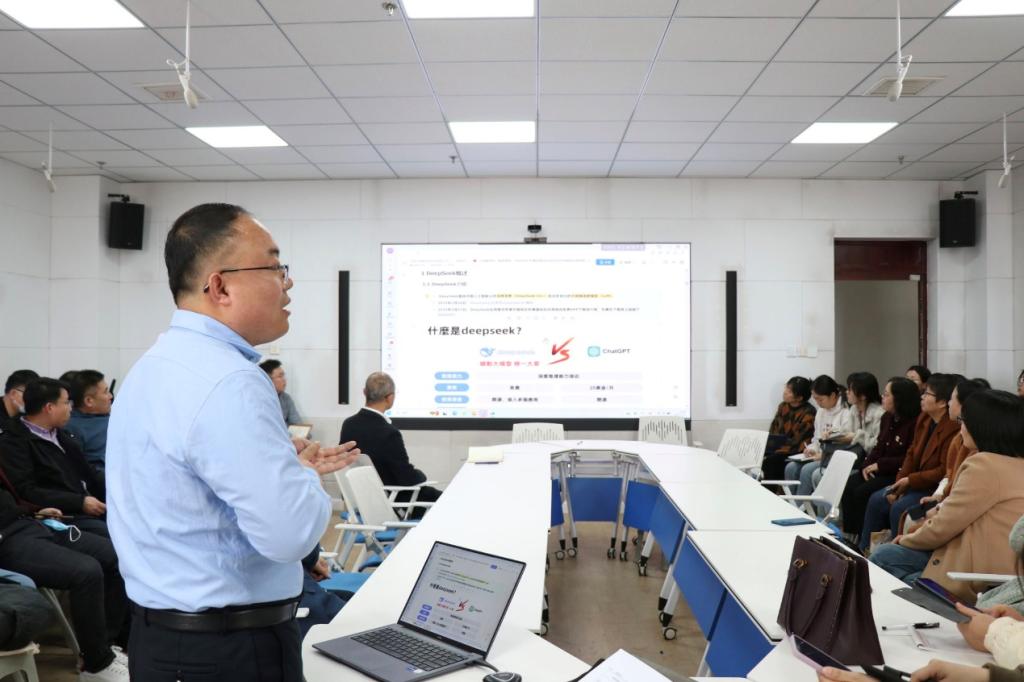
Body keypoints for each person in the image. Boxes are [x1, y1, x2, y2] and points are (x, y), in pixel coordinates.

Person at [105, 202, 360, 682]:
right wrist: (304, 475)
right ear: (219, 286)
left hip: (161, 640)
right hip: (229, 651)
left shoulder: (155, 365)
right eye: (275, 266)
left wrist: (279, 466)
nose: (288, 282)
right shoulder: (230, 381)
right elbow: (289, 535)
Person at [869, 390, 1024, 601]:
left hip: (974, 575)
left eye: (964, 420)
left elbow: (944, 526)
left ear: (982, 427)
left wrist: (905, 539)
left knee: (884, 557)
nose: (961, 427)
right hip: (1003, 572)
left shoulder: (985, 465)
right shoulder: (1012, 463)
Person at [0, 461, 128, 680]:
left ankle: (104, 647)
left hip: (31, 522)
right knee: (85, 571)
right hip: (7, 541)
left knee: (118, 556)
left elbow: (9, 499)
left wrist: (35, 510)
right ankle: (96, 665)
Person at [858, 373, 960, 549]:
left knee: (900, 508)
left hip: (931, 487)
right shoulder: (925, 418)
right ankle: (865, 550)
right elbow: (911, 454)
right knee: (877, 499)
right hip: (913, 482)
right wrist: (899, 484)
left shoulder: (952, 428)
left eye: (927, 394)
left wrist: (909, 481)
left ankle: (897, 552)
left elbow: (943, 470)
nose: (922, 396)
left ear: (942, 402)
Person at [0, 378, 109, 537]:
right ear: (49, 408)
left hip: (90, 504)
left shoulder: (62, 435)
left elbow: (88, 472)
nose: (70, 408)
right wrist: (79, 502)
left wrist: (117, 486)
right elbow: (27, 490)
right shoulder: (14, 442)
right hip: (62, 514)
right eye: (66, 403)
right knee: (114, 541)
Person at [340, 372, 441, 518]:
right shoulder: (389, 432)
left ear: (364, 392)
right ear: (390, 398)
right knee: (446, 499)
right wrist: (421, 476)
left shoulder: (348, 424)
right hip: (392, 502)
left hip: (361, 501)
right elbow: (406, 478)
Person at [841, 377, 920, 544]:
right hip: (878, 469)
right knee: (849, 485)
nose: (882, 397)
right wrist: (866, 465)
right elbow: (878, 447)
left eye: (887, 394)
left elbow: (908, 457)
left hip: (894, 473)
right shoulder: (887, 417)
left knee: (863, 492)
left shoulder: (915, 423)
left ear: (899, 398)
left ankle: (865, 541)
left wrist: (879, 465)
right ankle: (849, 535)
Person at [783, 375, 847, 496]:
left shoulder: (846, 412)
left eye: (820, 399)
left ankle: (801, 505)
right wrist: (811, 449)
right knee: (791, 467)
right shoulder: (821, 411)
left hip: (833, 457)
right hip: (819, 455)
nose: (818, 403)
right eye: (815, 399)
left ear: (833, 395)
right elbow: (817, 439)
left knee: (807, 470)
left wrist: (823, 455)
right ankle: (791, 502)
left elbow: (846, 443)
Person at [761, 377, 817, 482]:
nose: (785, 392)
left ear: (799, 398)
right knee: (757, 455)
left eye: (790, 391)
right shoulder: (783, 406)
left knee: (771, 462)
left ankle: (773, 490)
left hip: (795, 451)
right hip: (778, 448)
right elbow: (774, 428)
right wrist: (769, 445)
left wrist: (777, 450)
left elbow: (798, 441)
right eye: (786, 387)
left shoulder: (809, 412)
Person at [66, 370, 114, 470]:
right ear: (89, 401)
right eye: (105, 392)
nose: (111, 396)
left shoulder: (114, 418)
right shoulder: (72, 428)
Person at [259, 359, 303, 426]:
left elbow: (297, 423)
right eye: (280, 376)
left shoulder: (286, 398)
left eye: (283, 376)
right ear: (267, 379)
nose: (284, 380)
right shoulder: (257, 399)